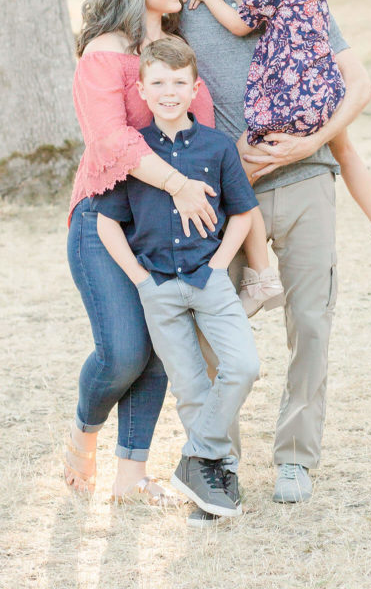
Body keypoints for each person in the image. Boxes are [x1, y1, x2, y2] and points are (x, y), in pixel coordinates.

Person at [179, 0, 371, 508]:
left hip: (305, 179)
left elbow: (359, 83)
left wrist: (307, 143)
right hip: (226, 197)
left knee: (311, 322)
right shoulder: (187, 14)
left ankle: (295, 457)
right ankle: (219, 456)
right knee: (212, 329)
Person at [65, 0, 218, 505]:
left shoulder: (180, 49)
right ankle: (84, 432)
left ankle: (132, 476)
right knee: (124, 351)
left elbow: (203, 131)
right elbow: (110, 140)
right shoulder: (104, 51)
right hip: (103, 216)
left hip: (164, 228)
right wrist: (178, 183)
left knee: (159, 350)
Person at [188, 0, 371, 274]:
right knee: (346, 149)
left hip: (286, 93)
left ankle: (256, 271)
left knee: (240, 164)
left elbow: (242, 23)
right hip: (319, 89)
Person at [92, 37, 261, 518]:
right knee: (190, 389)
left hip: (210, 281)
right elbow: (107, 223)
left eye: (179, 83)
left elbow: (244, 214)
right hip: (159, 288)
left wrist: (216, 265)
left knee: (243, 366)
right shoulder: (134, 152)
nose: (169, 92)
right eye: (159, 83)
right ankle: (214, 483)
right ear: (142, 90)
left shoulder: (217, 145)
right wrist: (142, 281)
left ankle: (193, 459)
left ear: (195, 89)